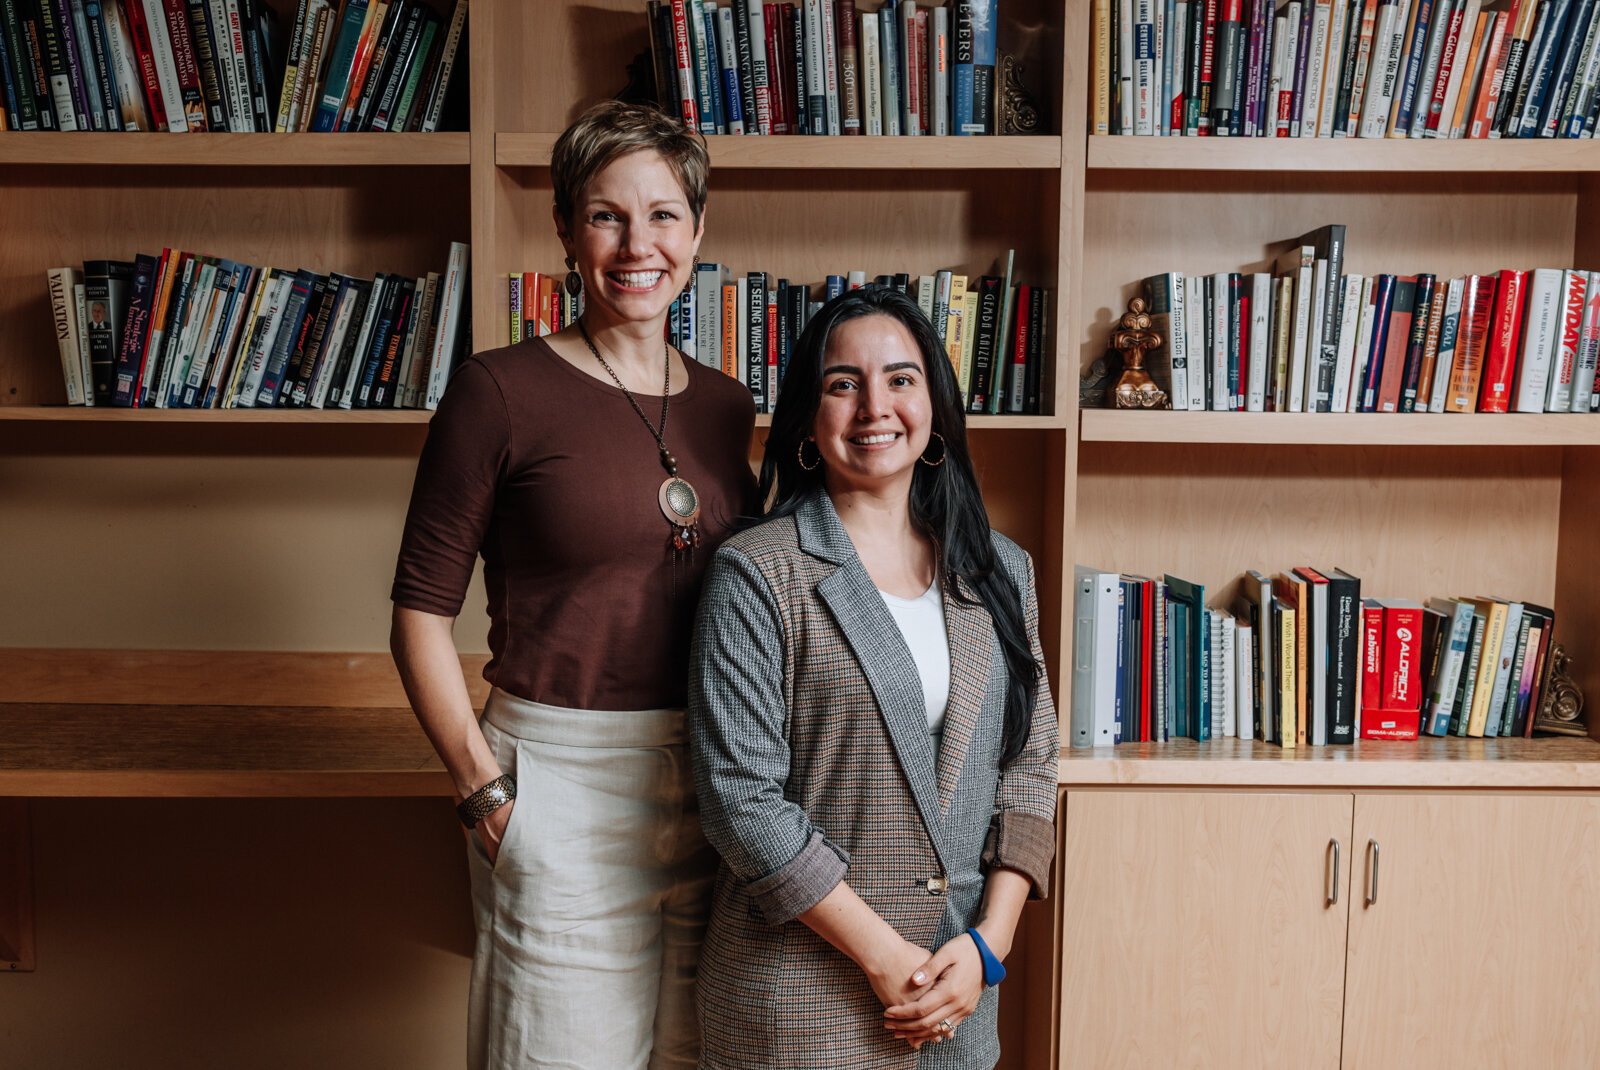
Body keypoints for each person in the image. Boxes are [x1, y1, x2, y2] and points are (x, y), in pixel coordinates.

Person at [389, 101, 757, 1070]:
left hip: (718, 779)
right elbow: (419, 614)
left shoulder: (727, 404)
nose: (639, 244)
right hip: (560, 779)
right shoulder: (497, 389)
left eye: (664, 214)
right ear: (564, 229)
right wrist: (485, 792)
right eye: (606, 215)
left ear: (698, 230)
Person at [689, 286, 1061, 1069]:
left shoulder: (1001, 571)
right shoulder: (757, 572)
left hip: (959, 996)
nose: (873, 408)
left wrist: (990, 945)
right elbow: (741, 802)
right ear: (808, 418)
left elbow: (1029, 765)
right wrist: (887, 959)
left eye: (900, 379)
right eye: (842, 383)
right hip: (800, 1000)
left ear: (933, 406)